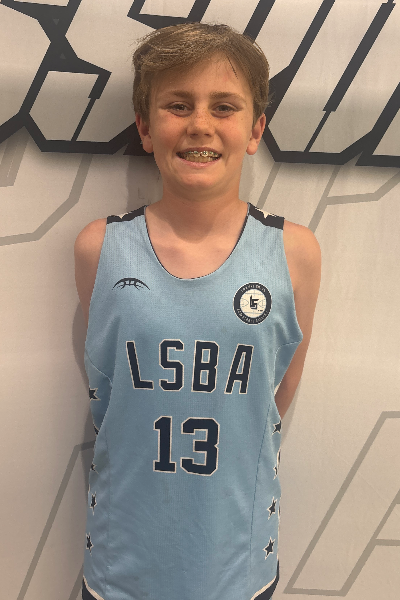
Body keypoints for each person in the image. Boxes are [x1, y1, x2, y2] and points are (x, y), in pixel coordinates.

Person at [74, 22, 321, 600]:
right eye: (178, 105)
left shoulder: (294, 252)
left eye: (224, 107)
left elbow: (277, 390)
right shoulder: (100, 248)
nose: (200, 124)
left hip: (236, 564)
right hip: (121, 563)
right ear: (145, 127)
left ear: (256, 129)